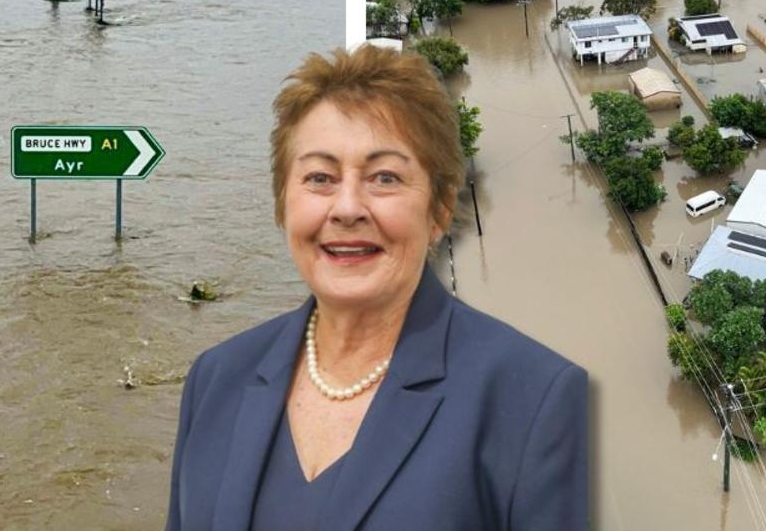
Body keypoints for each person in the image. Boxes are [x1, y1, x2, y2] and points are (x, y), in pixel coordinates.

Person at [166, 45, 589, 530]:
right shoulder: (216, 379)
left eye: (384, 178)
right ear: (283, 203)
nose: (347, 208)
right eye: (319, 177)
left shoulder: (532, 398)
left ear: (440, 209)